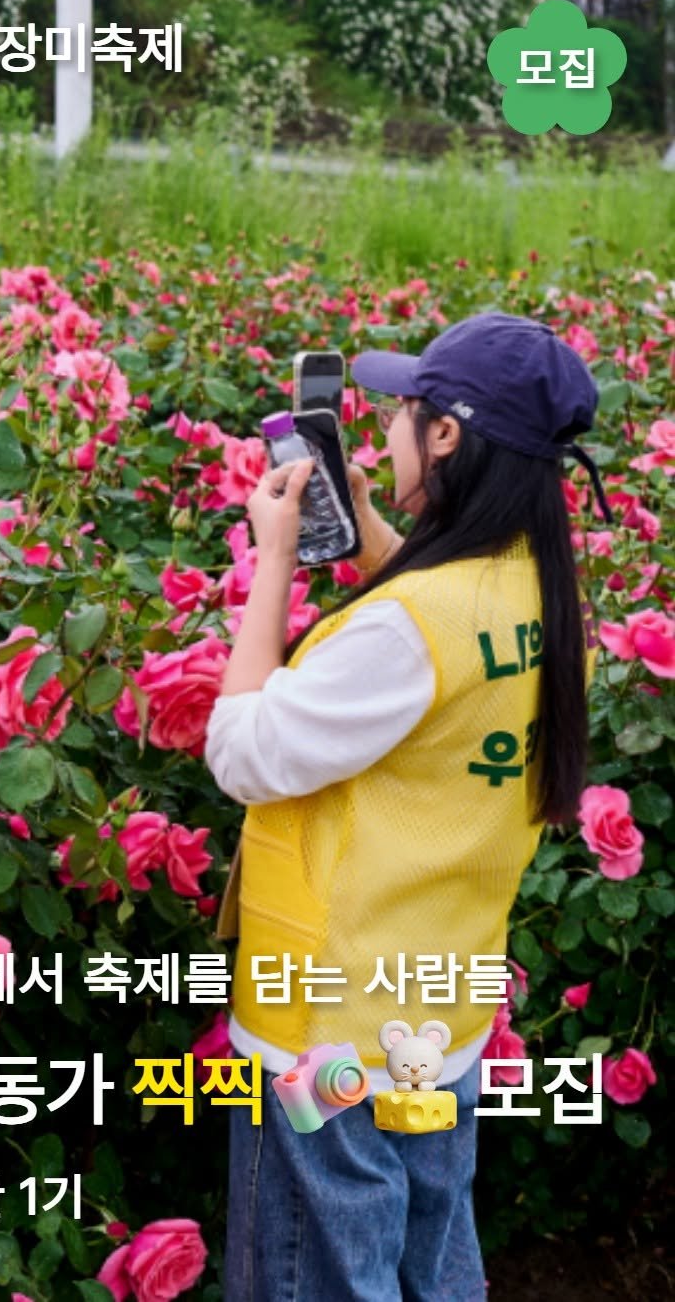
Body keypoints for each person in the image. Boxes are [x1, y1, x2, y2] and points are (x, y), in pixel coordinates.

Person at [204, 312, 610, 1302]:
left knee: (319, 1281)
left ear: (446, 438)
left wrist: (274, 559)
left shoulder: (405, 629)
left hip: (323, 1037)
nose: (384, 429)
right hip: (436, 1024)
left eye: (404, 412)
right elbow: (436, 637)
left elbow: (242, 753)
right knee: (428, 1270)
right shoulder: (542, 599)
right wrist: (359, 531)